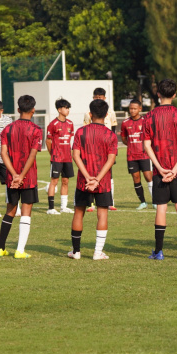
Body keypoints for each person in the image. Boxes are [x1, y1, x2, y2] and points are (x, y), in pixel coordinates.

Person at [143, 78, 177, 260]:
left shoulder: (149, 116)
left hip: (159, 172)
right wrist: (174, 170)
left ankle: (159, 251)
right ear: (175, 94)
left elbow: (147, 146)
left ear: (158, 94)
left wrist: (161, 169)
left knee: (161, 209)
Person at [69, 99, 119, 260]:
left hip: (83, 181)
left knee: (78, 212)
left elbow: (75, 155)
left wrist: (87, 176)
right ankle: (98, 252)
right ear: (106, 116)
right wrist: (97, 179)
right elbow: (111, 160)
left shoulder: (80, 132)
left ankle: (76, 252)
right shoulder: (110, 135)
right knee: (102, 214)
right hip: (103, 181)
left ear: (90, 115)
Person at [0, 95, 44, 259]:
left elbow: (3, 154)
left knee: (10, 210)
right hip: (28, 177)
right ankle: (20, 250)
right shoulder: (37, 130)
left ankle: (0, 248)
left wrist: (14, 174)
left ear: (18, 110)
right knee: (26, 211)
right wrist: (22, 175)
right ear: (33, 110)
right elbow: (32, 155)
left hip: (11, 177)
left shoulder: (7, 129)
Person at [84, 87, 118, 210]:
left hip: (107, 147)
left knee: (109, 174)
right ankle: (91, 203)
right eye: (96, 97)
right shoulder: (88, 114)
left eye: (100, 97)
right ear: (93, 97)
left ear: (104, 98)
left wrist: (114, 148)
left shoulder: (111, 112)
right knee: (90, 172)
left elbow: (113, 130)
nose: (98, 98)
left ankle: (110, 201)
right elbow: (86, 131)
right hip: (92, 147)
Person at [120, 99, 153, 209]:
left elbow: (151, 137)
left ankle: (155, 201)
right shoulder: (125, 123)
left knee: (148, 176)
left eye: (134, 108)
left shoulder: (146, 121)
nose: (132, 110)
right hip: (132, 156)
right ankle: (143, 202)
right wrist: (132, 145)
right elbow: (124, 139)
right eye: (130, 108)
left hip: (144, 155)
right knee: (136, 177)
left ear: (140, 109)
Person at [46, 98, 75, 215]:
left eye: (68, 108)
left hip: (67, 158)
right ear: (59, 109)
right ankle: (51, 208)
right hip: (56, 158)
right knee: (54, 181)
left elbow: (70, 140)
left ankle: (64, 207)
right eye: (66, 108)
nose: (68, 110)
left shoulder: (70, 124)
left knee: (65, 181)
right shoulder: (53, 124)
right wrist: (52, 154)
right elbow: (48, 141)